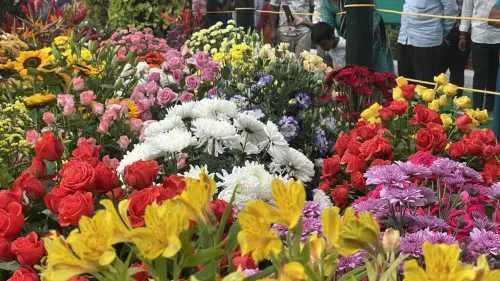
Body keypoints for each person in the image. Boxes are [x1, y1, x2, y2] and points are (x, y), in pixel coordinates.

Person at [320, 0, 395, 73]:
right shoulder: (326, 2)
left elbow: (373, 14)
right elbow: (328, 26)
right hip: (346, 42)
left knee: (376, 73)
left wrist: (358, 39)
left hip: (370, 39)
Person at [397, 0, 458, 82]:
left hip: (426, 41)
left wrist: (441, 31)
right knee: (404, 84)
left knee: (425, 87)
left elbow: (451, 9)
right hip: (404, 38)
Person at [461, 0, 500, 111]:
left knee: (494, 74)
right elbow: (467, 10)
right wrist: (462, 35)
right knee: (479, 75)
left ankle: (490, 108)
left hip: (498, 37)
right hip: (478, 36)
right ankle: (477, 109)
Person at [439, 0, 471, 97]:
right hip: (444, 33)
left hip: (463, 34)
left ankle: (457, 104)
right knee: (438, 71)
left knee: (457, 71)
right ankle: (432, 103)